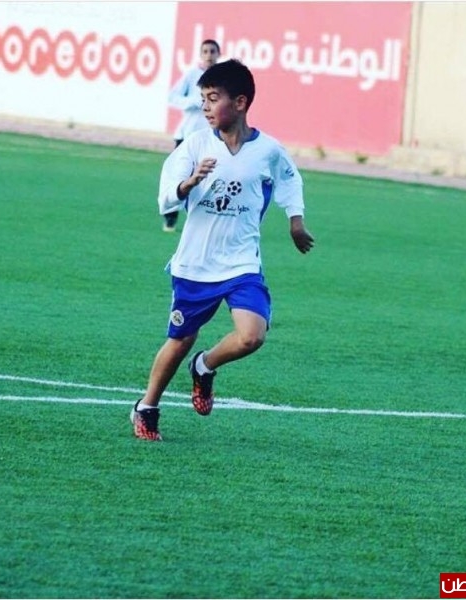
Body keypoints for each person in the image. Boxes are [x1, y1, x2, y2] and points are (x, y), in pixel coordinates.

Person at [131, 59, 315, 441]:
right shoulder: (196, 145)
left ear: (241, 102)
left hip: (241, 262)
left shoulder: (268, 150)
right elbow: (165, 195)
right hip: (196, 264)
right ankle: (147, 407)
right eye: (203, 99)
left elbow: (290, 180)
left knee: (252, 336)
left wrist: (295, 221)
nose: (205, 107)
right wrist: (188, 183)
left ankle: (205, 366)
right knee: (180, 340)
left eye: (213, 98)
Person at [162, 38, 221, 232]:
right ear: (200, 54)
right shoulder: (192, 75)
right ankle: (170, 216)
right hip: (187, 134)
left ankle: (204, 220)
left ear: (218, 54)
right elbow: (172, 97)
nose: (209, 55)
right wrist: (192, 102)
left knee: (210, 178)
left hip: (210, 138)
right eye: (205, 51)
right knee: (179, 175)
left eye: (212, 51)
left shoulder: (223, 79)